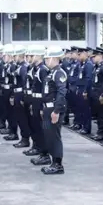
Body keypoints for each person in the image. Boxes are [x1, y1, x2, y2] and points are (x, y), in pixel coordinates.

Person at [40, 46, 68, 174]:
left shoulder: (59, 73)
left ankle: (58, 164)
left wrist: (56, 111)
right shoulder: (51, 72)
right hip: (48, 108)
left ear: (54, 58)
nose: (46, 61)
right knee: (49, 136)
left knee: (54, 137)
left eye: (47, 58)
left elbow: (61, 93)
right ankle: (53, 162)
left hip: (54, 109)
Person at [25, 45, 49, 161]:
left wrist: (42, 106)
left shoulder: (43, 69)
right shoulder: (36, 69)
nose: (30, 57)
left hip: (39, 102)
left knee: (41, 129)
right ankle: (37, 147)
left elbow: (45, 89)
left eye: (32, 55)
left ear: (39, 56)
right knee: (35, 127)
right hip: (34, 101)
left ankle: (44, 153)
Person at [11, 46, 32, 147]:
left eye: (15, 56)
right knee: (19, 117)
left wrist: (23, 97)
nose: (14, 58)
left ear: (20, 56)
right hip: (17, 94)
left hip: (21, 94)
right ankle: (24, 138)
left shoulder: (23, 67)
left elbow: (25, 83)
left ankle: (25, 139)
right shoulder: (18, 66)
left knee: (23, 118)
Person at [89, 48, 103, 141]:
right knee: (98, 115)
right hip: (95, 93)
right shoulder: (96, 67)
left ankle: (102, 134)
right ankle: (99, 132)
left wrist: (102, 94)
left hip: (100, 94)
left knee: (102, 115)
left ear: (100, 56)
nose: (92, 58)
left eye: (94, 56)